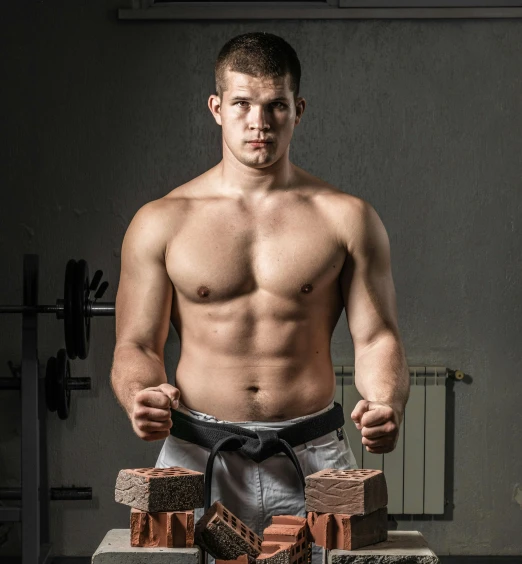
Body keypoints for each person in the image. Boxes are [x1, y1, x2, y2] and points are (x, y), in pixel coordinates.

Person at [110, 32, 410, 535]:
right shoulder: (162, 221)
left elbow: (377, 337)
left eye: (276, 105)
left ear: (299, 109)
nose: (259, 122)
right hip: (194, 453)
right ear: (216, 107)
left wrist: (385, 404)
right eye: (243, 103)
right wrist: (140, 393)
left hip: (311, 453)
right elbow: (136, 342)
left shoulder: (347, 219)